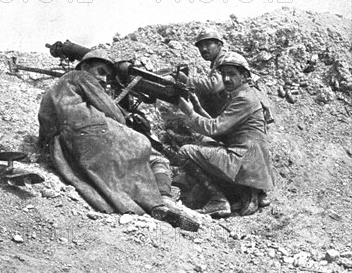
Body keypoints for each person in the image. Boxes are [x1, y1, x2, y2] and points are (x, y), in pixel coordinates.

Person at [38, 49, 199, 230]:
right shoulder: (80, 76)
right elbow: (112, 111)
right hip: (92, 128)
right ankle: (162, 201)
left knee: (111, 172)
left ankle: (145, 204)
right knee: (151, 154)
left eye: (108, 76)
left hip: (60, 144)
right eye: (101, 72)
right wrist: (124, 115)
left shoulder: (55, 89)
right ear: (84, 66)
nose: (104, 79)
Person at [175, 52, 274, 218]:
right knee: (207, 146)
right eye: (224, 74)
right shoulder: (242, 95)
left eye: (232, 74)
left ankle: (218, 200)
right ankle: (248, 192)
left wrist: (190, 114)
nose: (226, 79)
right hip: (250, 158)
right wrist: (198, 109)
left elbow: (215, 129)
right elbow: (224, 130)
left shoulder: (244, 98)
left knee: (186, 152)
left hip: (244, 159)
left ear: (244, 76)